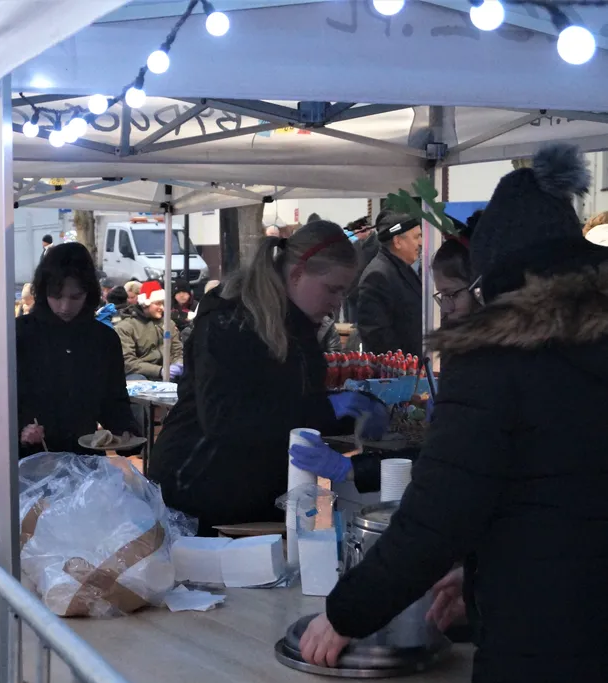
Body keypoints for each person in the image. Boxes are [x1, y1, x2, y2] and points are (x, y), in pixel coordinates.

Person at [298, 144, 608, 683]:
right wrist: (475, 575)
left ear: (497, 275)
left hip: (545, 655)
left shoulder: (498, 357)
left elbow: (438, 514)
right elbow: (561, 490)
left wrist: (346, 612)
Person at [148, 222, 388, 535]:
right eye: (332, 289)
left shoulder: (298, 328)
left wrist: (352, 414)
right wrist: (330, 409)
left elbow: (292, 407)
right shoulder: (229, 322)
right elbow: (226, 418)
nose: (337, 303)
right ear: (298, 273)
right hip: (198, 490)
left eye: (344, 292)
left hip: (257, 494)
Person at [291, 222, 479, 492]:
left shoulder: (492, 364)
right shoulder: (381, 274)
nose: (446, 309)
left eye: (451, 295)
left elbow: (458, 455)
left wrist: (352, 469)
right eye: (442, 296)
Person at [15, 242, 135, 455]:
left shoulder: (103, 339)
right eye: (56, 296)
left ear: (89, 294)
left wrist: (126, 433)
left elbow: (114, 400)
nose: (65, 307)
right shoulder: (19, 334)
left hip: (85, 461)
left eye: (75, 297)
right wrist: (20, 429)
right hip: (28, 462)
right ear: (43, 292)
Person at [356, 212, 423, 356]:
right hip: (396, 373)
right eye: (416, 236)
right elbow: (376, 335)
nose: (421, 242)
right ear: (398, 241)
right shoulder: (378, 276)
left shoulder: (399, 268)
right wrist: (404, 366)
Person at [114, 282, 183, 381]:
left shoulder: (168, 323)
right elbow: (127, 362)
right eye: (158, 304)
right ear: (145, 304)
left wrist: (179, 363)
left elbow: (177, 349)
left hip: (169, 371)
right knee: (137, 380)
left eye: (163, 304)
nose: (162, 308)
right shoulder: (126, 327)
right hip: (142, 374)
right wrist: (159, 371)